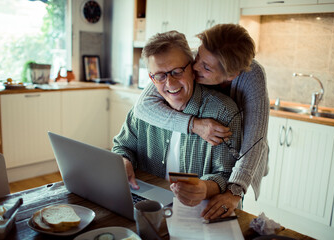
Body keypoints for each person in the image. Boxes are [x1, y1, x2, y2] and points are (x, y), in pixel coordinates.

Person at [134, 24, 270, 219]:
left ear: (231, 76)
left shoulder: (251, 77)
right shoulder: (190, 62)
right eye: (197, 57)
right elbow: (143, 106)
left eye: (205, 67)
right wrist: (194, 125)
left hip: (245, 157)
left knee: (226, 210)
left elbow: (255, 141)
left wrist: (234, 192)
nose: (195, 67)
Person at [112, 30, 242, 206]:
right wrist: (123, 162)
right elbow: (122, 146)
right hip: (146, 205)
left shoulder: (223, 112)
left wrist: (204, 188)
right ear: (151, 77)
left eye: (177, 71)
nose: (170, 84)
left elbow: (227, 174)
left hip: (199, 210)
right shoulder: (143, 111)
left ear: (192, 68)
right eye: (160, 76)